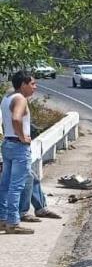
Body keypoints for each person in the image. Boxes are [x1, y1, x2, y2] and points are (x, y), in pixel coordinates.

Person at [0, 70, 37, 234]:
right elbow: (16, 119)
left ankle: (3, 218)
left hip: (7, 143)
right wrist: (22, 137)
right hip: (18, 146)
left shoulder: (6, 98)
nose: (35, 87)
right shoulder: (20, 99)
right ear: (23, 84)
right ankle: (13, 223)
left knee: (5, 185)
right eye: (32, 84)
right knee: (17, 186)